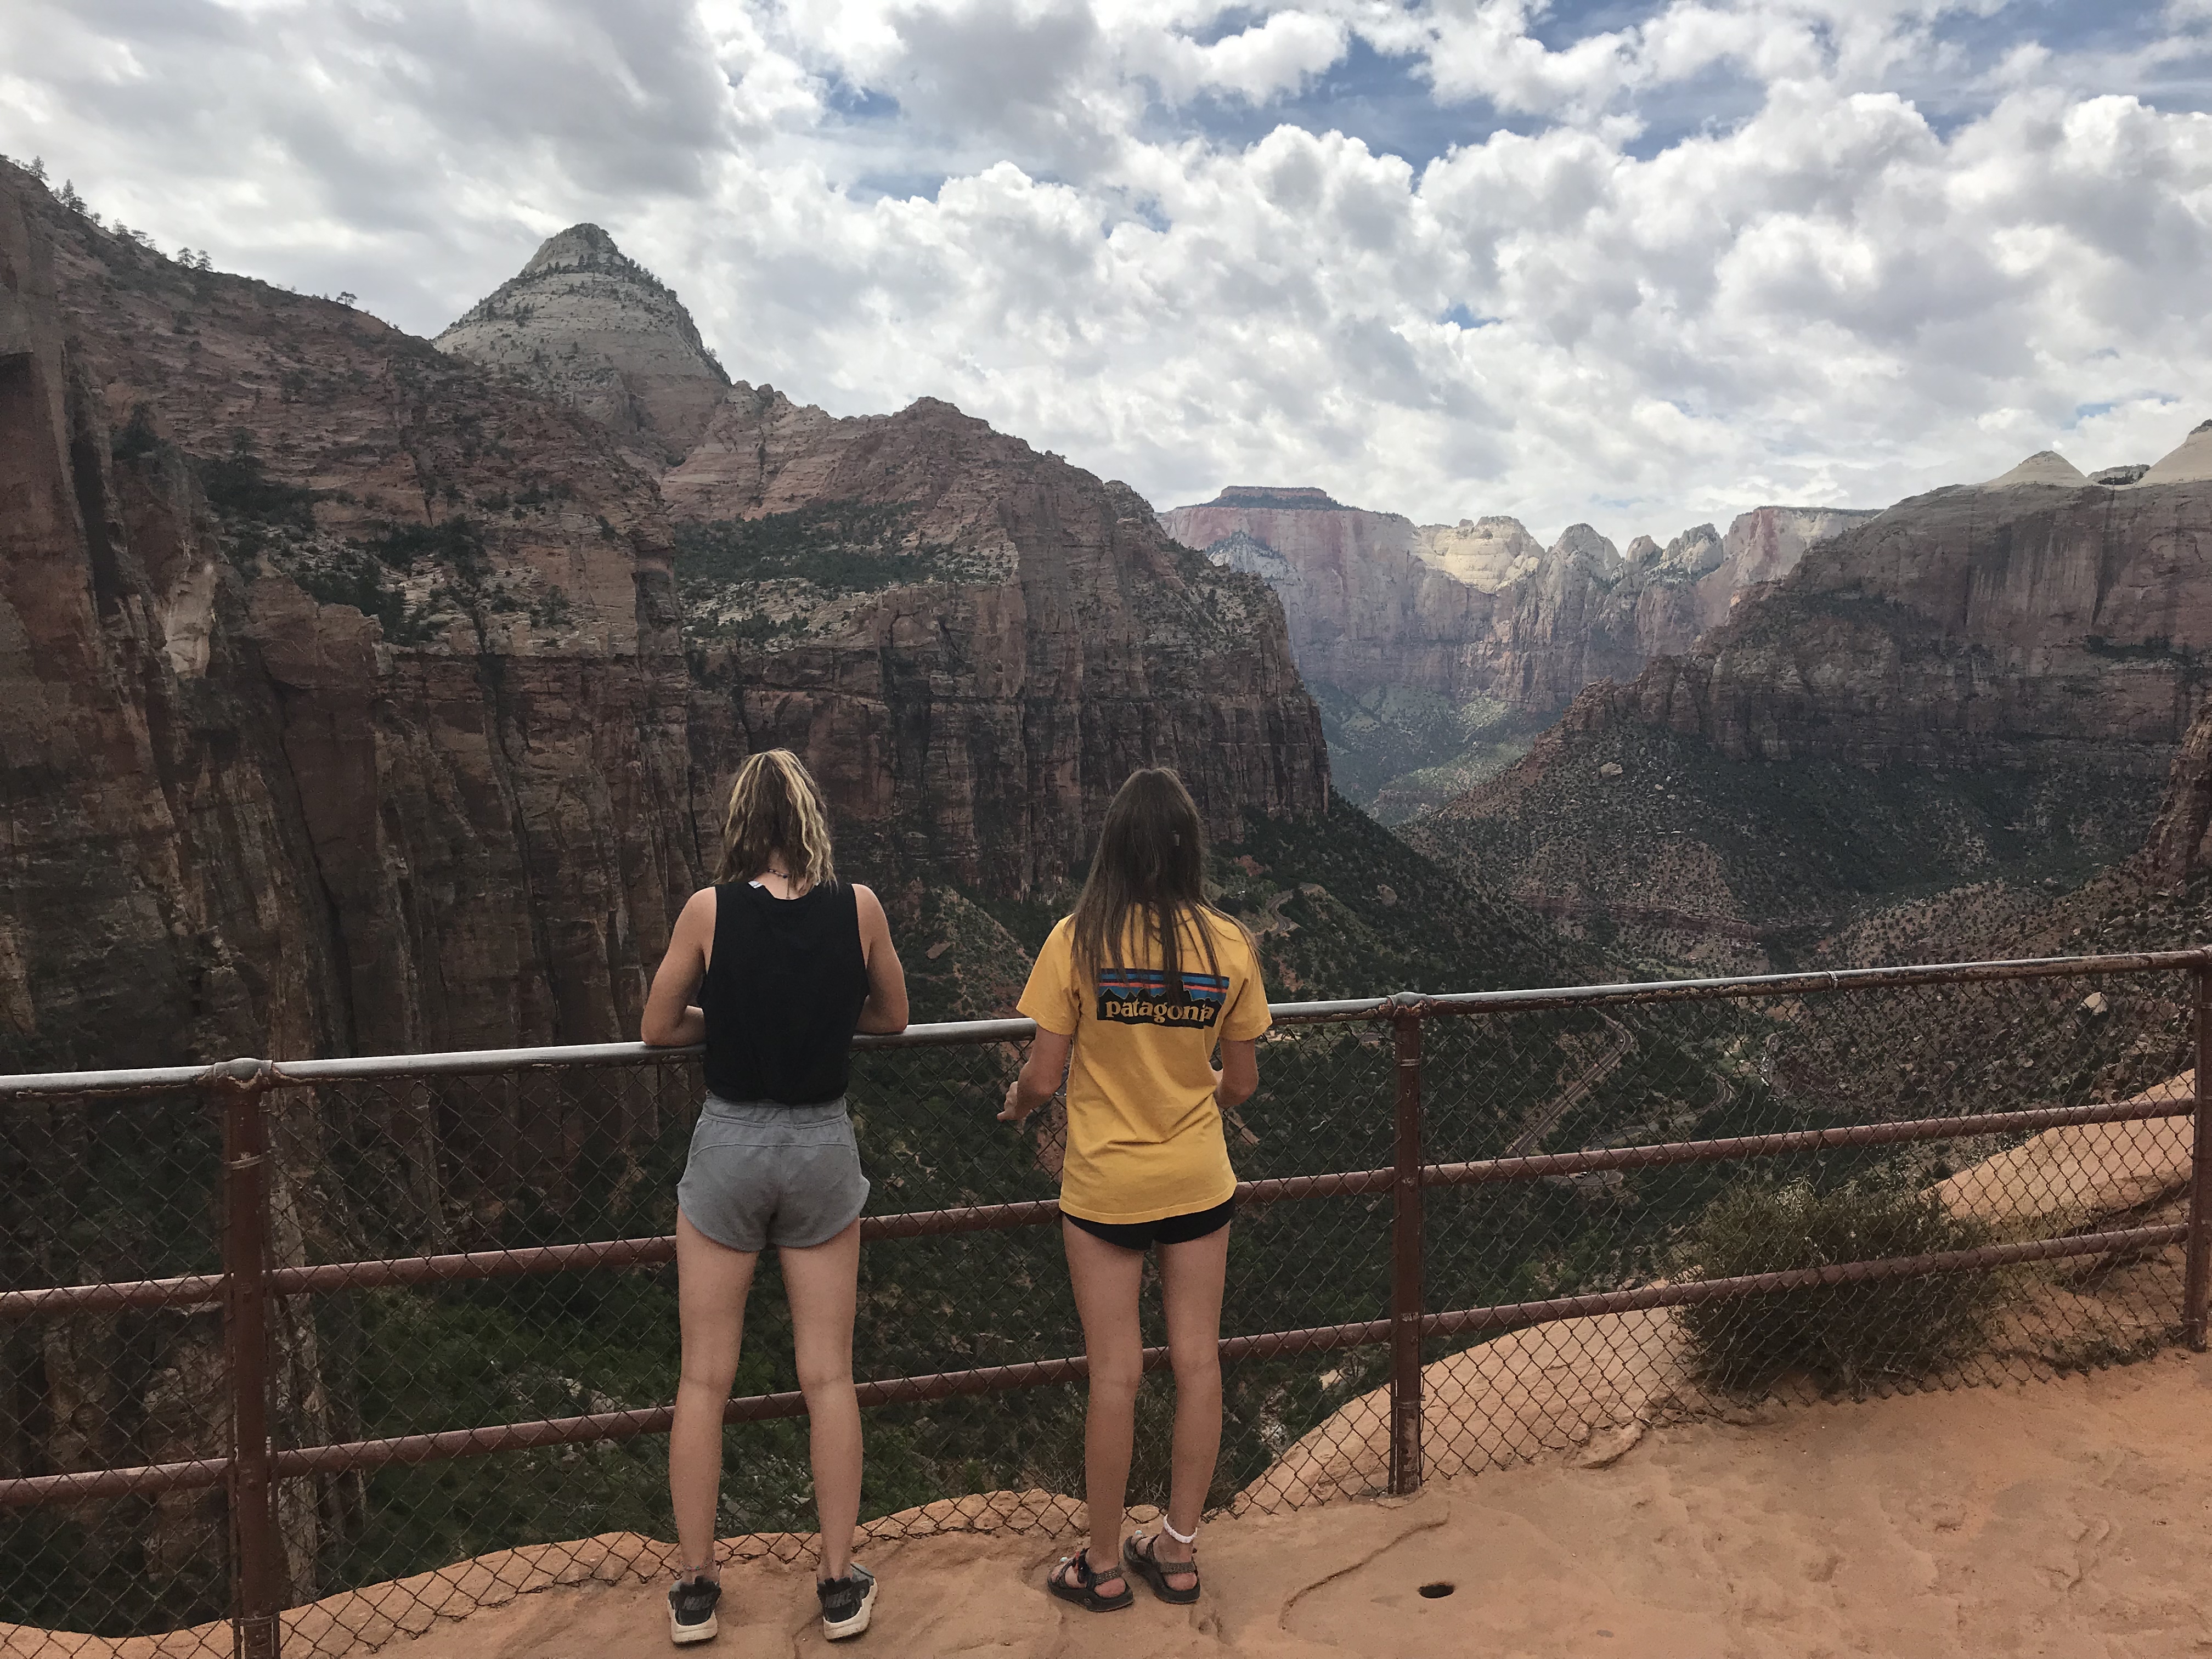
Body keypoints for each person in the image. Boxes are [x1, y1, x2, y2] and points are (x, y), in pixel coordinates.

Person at [641, 749, 908, 1646]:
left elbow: (657, 1025)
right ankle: (838, 1585)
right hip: (822, 1144)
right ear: (812, 821)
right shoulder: (860, 906)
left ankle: (695, 1590)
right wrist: (827, 1017)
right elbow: (894, 1016)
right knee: (827, 1374)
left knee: (703, 1379)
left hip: (730, 1142)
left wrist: (730, 1019)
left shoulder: (708, 912)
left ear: (742, 824)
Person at [998, 767, 1269, 1611]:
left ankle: (1105, 1564)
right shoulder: (1228, 944)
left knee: (1115, 1372)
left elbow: (1045, 1074)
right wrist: (1203, 1104)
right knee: (1198, 1361)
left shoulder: (1075, 939)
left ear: (1112, 846)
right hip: (1197, 1177)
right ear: (1190, 849)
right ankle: (1180, 1554)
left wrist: (1017, 1102)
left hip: (1106, 1187)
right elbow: (1244, 1081)